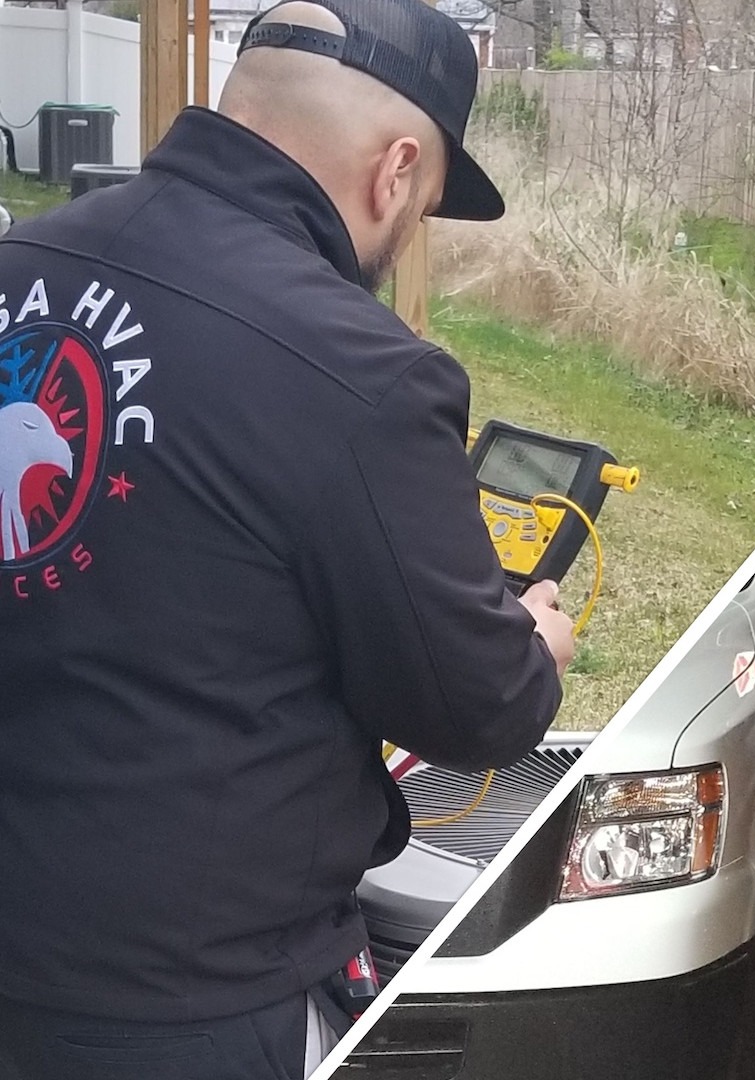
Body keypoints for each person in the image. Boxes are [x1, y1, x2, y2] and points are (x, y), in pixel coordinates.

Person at [0, 1, 573, 1076]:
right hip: (182, 1004)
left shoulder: (18, 261)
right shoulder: (360, 372)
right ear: (396, 171)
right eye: (430, 205)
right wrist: (529, 645)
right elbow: (473, 707)